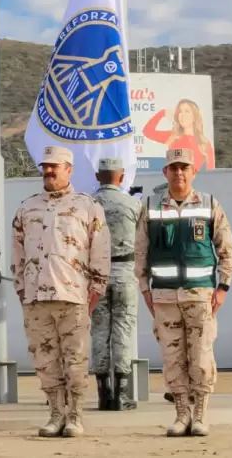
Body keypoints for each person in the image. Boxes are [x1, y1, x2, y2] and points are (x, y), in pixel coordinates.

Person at [135, 148, 232, 437]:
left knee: (201, 356)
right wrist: (145, 289)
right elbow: (140, 250)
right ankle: (182, 415)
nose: (179, 172)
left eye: (184, 167)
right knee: (172, 358)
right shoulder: (151, 206)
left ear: (194, 172)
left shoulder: (209, 204)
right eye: (173, 167)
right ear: (165, 172)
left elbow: (227, 248)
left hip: (200, 296)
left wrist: (223, 286)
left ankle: (201, 415)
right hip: (164, 298)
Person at [11, 145, 110, 438]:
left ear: (69, 169)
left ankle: (75, 415)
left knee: (75, 359)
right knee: (44, 360)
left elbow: (100, 250)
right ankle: (55, 414)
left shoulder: (86, 206)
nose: (49, 171)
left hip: (73, 296)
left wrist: (96, 289)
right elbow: (17, 252)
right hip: (36, 299)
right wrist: (21, 287)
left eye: (55, 166)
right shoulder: (27, 207)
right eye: (45, 166)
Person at [91, 157, 142, 411]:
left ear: (99, 176)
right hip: (125, 273)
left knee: (99, 331)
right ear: (120, 177)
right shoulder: (133, 205)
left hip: (96, 275)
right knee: (123, 331)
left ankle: (103, 393)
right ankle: (121, 395)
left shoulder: (88, 205)